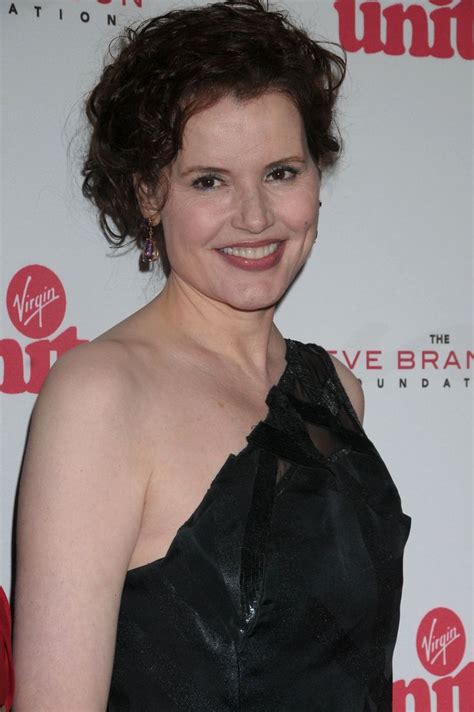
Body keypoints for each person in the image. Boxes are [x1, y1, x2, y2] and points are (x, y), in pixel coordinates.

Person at [12, 0, 411, 709]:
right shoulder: (102, 396)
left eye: (282, 172)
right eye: (209, 180)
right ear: (147, 193)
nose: (254, 217)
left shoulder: (334, 392)